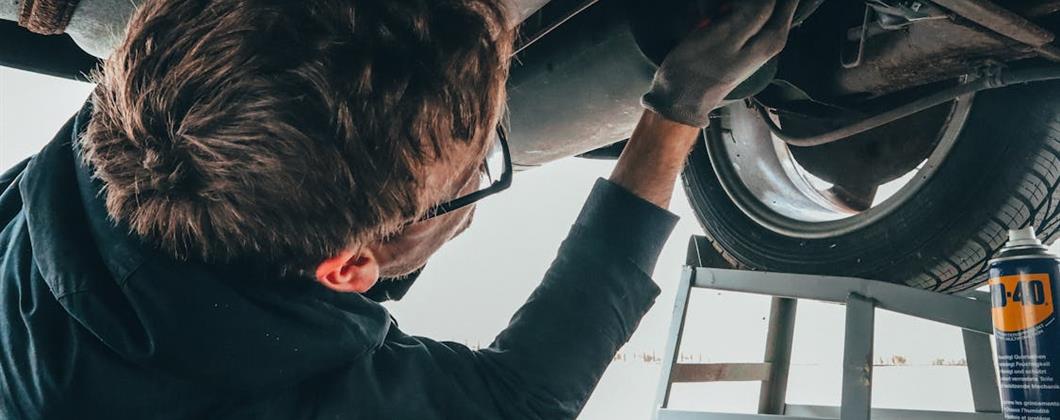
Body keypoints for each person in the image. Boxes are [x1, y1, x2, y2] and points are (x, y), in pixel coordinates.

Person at [0, 0, 797, 418]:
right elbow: (521, 398)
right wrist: (674, 111)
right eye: (474, 165)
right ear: (350, 267)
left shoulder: (169, 84)